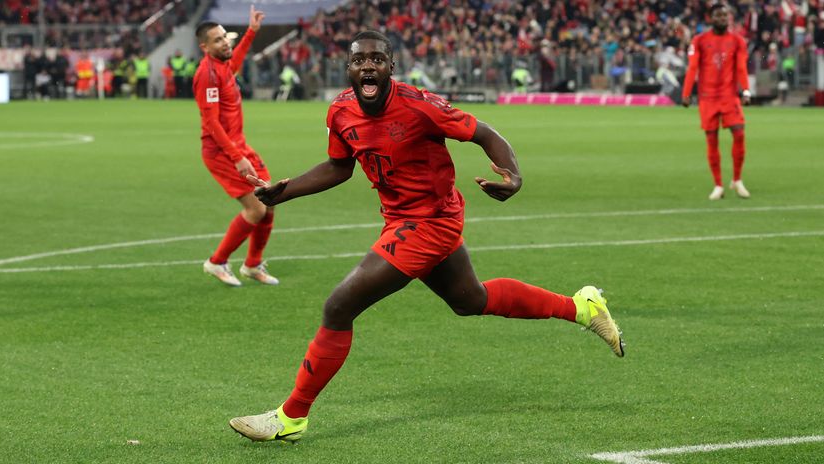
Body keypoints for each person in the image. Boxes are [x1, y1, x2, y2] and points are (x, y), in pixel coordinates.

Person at [228, 30, 624, 443]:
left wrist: (514, 175)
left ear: (391, 67)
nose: (368, 66)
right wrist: (284, 192)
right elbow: (339, 166)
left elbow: (485, 133)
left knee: (338, 307)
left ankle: (291, 417)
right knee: (471, 300)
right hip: (400, 219)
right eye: (359, 60)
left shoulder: (420, 105)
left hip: (431, 221)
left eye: (377, 59)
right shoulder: (340, 111)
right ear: (348, 68)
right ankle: (582, 307)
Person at [193, 6, 280, 287]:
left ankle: (253, 265)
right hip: (222, 152)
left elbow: (237, 59)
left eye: (224, 37)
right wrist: (237, 157)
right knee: (256, 209)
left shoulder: (224, 67)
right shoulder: (207, 74)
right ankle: (217, 261)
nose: (224, 42)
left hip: (238, 147)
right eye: (217, 40)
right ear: (204, 47)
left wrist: (252, 31)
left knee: (270, 201)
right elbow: (212, 123)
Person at [682, 3, 751, 201]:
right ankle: (718, 185)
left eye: (725, 15)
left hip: (729, 97)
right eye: (719, 15)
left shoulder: (737, 41)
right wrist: (687, 93)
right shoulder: (700, 40)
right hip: (708, 98)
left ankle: (737, 180)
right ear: (710, 18)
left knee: (739, 133)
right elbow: (692, 68)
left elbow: (741, 68)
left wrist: (745, 91)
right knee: (712, 140)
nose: (723, 19)